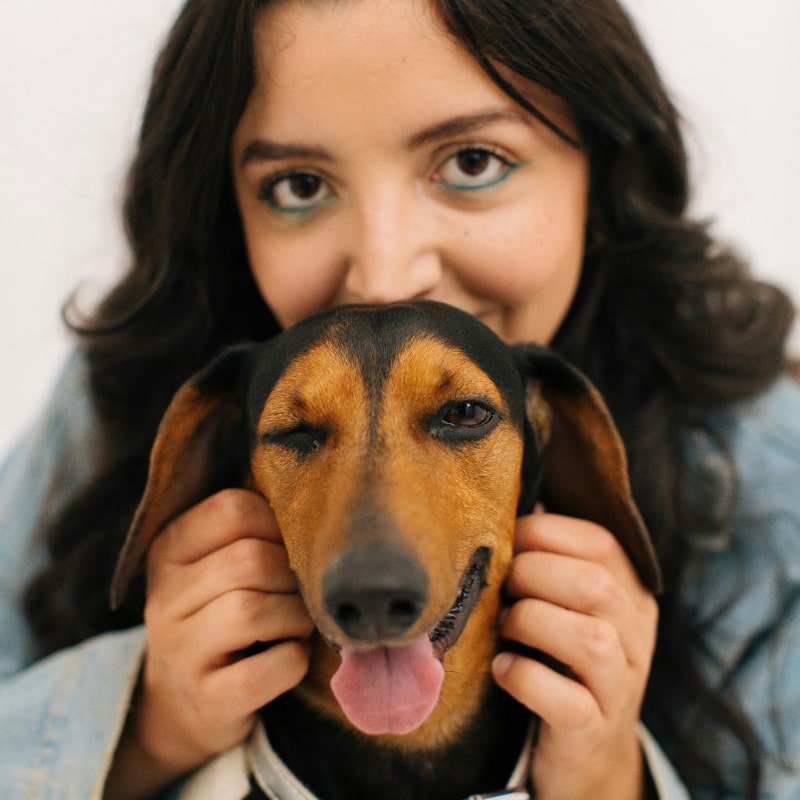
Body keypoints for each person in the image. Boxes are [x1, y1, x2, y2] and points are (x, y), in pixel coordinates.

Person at [1, 0, 797, 798]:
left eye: (474, 163)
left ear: (607, 166)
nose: (385, 276)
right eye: (299, 183)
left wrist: (607, 781)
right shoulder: (115, 406)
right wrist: (149, 726)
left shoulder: (773, 484)